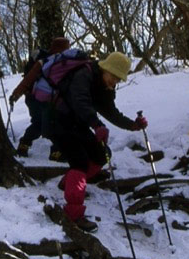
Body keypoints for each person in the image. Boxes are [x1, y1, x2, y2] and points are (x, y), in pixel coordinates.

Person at [49, 51, 148, 232]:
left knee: (102, 155)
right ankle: (73, 214)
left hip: (78, 124)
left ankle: (68, 184)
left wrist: (133, 125)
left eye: (118, 80)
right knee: (79, 160)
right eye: (114, 77)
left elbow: (111, 112)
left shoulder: (105, 88)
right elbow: (80, 101)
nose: (115, 82)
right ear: (106, 69)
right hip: (58, 121)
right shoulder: (84, 74)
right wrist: (96, 125)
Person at [9, 37, 70, 160]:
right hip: (50, 101)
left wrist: (16, 94)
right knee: (53, 124)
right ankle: (56, 152)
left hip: (32, 98)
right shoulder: (60, 62)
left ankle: (24, 145)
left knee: (38, 123)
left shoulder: (43, 60)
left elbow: (27, 80)